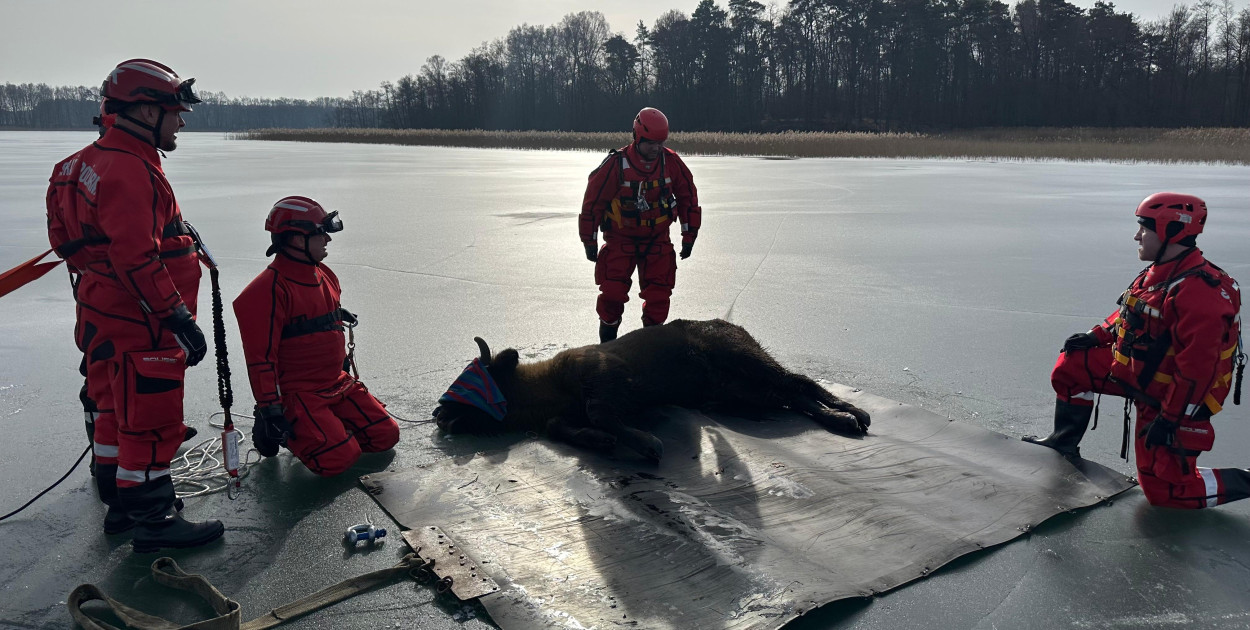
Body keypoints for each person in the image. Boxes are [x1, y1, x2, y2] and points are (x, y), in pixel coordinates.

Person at [45, 59, 223, 551]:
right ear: (146, 111)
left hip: (101, 311)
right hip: (141, 317)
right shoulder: (130, 171)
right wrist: (177, 316)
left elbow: (65, 243)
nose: (182, 121)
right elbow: (136, 256)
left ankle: (119, 503)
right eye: (175, 111)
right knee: (149, 414)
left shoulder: (74, 166)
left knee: (109, 406)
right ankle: (154, 519)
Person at [1024, 192, 1247, 509]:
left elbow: (1197, 372)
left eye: (1145, 228)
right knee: (1073, 364)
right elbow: (1134, 313)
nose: (1136, 236)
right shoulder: (1162, 271)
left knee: (1166, 493)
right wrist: (1096, 336)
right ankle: (1064, 442)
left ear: (1172, 232)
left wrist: (1170, 421)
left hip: (1177, 399)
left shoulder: (1199, 293)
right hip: (1140, 375)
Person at [234, 196, 400, 476]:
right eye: (321, 233)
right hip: (298, 393)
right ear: (298, 240)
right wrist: (270, 409)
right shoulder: (265, 291)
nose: (328, 240)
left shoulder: (326, 275)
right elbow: (261, 360)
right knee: (337, 458)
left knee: (385, 436)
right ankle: (291, 431)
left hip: (336, 383)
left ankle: (325, 427)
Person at [578, 107, 702, 342]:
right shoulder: (615, 165)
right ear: (637, 137)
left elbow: (689, 200)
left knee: (659, 297)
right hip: (620, 239)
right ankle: (608, 346)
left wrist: (689, 236)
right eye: (650, 143)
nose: (656, 148)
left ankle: (648, 349)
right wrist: (589, 240)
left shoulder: (671, 163)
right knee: (612, 295)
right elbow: (592, 204)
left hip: (657, 240)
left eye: (660, 142)